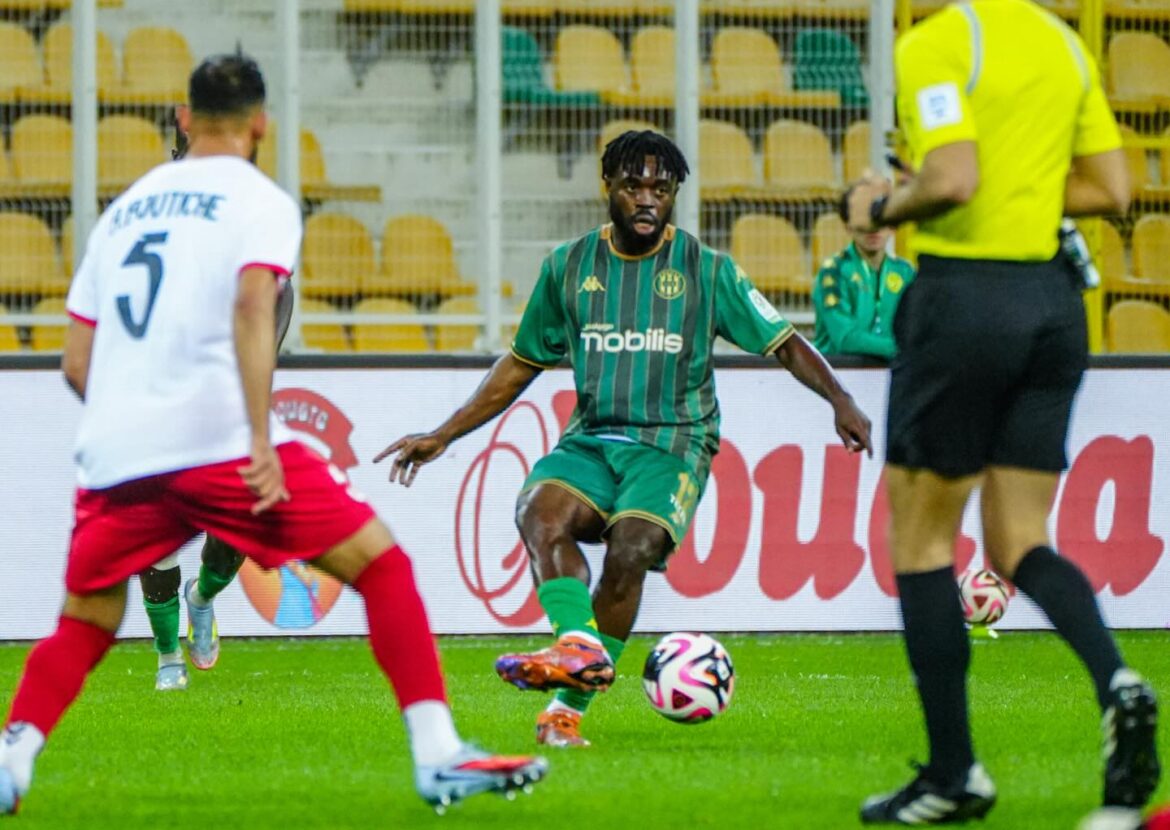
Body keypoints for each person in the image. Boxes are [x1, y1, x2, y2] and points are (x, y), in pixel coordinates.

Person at [0, 53, 547, 816]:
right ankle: (437, 754)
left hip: (117, 453)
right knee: (381, 567)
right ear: (261, 125)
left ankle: (14, 757)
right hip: (217, 439)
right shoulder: (260, 201)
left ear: (184, 120)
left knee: (86, 619)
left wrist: (132, 426)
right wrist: (258, 438)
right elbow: (256, 309)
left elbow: (75, 361)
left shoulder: (123, 212)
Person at [378, 130, 873, 748]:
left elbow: (785, 341)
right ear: (606, 186)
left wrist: (841, 398)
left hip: (674, 445)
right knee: (540, 512)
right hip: (592, 440)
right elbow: (520, 364)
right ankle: (579, 643)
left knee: (630, 551)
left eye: (660, 189)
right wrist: (444, 434)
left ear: (674, 196)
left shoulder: (707, 270)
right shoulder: (568, 267)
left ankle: (566, 709)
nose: (647, 199)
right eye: (634, 186)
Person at [843, 0, 1159, 823]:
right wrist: (1018, 187)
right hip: (1054, 306)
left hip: (965, 301)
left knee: (920, 543)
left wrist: (878, 206)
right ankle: (1115, 679)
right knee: (1020, 542)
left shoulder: (940, 41)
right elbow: (1115, 186)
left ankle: (954, 774)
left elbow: (953, 179)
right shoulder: (1061, 42)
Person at [141, 111, 298, 693]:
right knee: (155, 532)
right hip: (163, 399)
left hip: (229, 403)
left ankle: (202, 596)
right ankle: (165, 656)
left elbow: (277, 297)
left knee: (234, 529)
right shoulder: (151, 210)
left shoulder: (257, 214)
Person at [811, 225, 915, 362]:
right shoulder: (834, 271)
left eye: (879, 221)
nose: (873, 228)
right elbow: (845, 339)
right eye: (864, 221)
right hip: (839, 372)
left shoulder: (905, 271)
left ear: (893, 227)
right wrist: (904, 349)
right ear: (848, 225)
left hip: (893, 370)